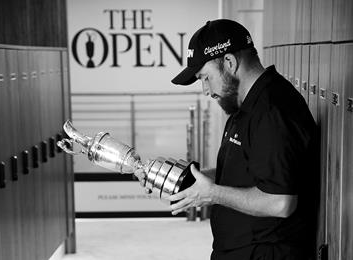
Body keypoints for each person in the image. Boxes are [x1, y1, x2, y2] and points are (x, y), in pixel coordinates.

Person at [135, 19, 319, 260]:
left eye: (205, 77)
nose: (205, 90)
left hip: (266, 253)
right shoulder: (244, 105)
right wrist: (181, 180)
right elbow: (240, 176)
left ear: (229, 63)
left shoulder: (272, 111)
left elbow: (280, 202)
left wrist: (211, 194)